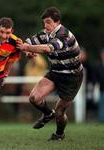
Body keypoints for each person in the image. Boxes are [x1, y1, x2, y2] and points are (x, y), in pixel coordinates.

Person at [17, 7, 83, 141]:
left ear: (57, 22)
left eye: (48, 22)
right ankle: (47, 114)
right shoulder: (45, 33)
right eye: (44, 23)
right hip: (55, 73)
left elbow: (48, 48)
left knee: (60, 113)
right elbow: (28, 42)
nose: (45, 26)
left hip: (72, 77)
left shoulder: (63, 35)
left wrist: (27, 48)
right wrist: (28, 51)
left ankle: (59, 134)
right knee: (34, 98)